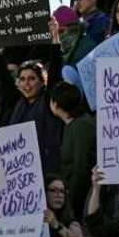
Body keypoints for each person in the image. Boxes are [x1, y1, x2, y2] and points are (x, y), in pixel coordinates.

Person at [5, 61, 64, 174]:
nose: (26, 83)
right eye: (22, 79)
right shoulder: (17, 105)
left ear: (42, 82)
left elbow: (55, 73)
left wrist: (55, 45)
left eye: (32, 78)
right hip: (19, 170)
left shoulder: (48, 101)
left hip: (46, 170)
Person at [49, 81, 95, 217]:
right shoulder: (71, 125)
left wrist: (70, 203)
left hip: (82, 199)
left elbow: (81, 169)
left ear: (56, 104)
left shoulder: (82, 126)